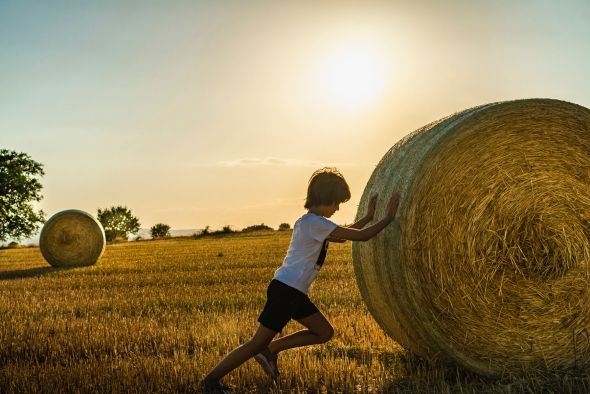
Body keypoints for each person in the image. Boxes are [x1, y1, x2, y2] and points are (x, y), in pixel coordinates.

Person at [200, 167, 400, 393]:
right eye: (336, 203)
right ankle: (210, 381)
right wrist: (389, 218)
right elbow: (360, 236)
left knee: (324, 333)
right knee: (256, 342)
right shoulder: (314, 223)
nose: (337, 208)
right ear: (326, 198)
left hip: (293, 292)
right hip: (287, 291)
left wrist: (368, 217)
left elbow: (344, 236)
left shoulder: (311, 223)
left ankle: (271, 349)